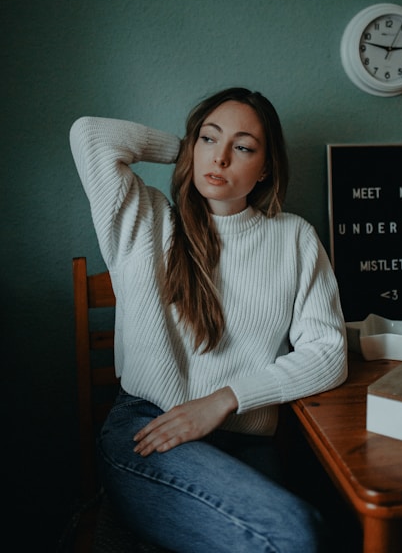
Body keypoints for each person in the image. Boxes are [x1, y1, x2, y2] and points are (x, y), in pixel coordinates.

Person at [70, 87, 347, 552]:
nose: (219, 158)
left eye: (242, 148)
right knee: (291, 536)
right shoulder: (148, 221)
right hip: (148, 429)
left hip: (243, 440)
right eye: (208, 139)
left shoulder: (294, 237)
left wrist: (222, 401)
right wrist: (185, 151)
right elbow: (91, 135)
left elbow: (330, 354)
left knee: (307, 528)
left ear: (266, 169)